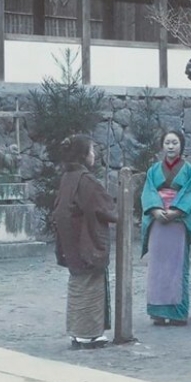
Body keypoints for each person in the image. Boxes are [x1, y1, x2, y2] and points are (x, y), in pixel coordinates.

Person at [53, 134, 118, 349]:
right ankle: (87, 334)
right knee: (91, 284)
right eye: (91, 150)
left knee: (78, 282)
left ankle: (77, 331)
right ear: (83, 156)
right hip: (85, 240)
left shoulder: (67, 178)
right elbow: (104, 207)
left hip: (71, 241)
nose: (94, 154)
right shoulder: (86, 180)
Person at [141, 129, 191, 326]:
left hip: (178, 222)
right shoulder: (153, 170)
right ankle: (158, 312)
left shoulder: (190, 171)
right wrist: (155, 210)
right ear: (162, 145)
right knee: (157, 268)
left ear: (181, 146)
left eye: (174, 143)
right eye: (167, 142)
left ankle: (177, 312)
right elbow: (148, 192)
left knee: (177, 267)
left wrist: (176, 211)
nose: (170, 146)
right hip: (158, 221)